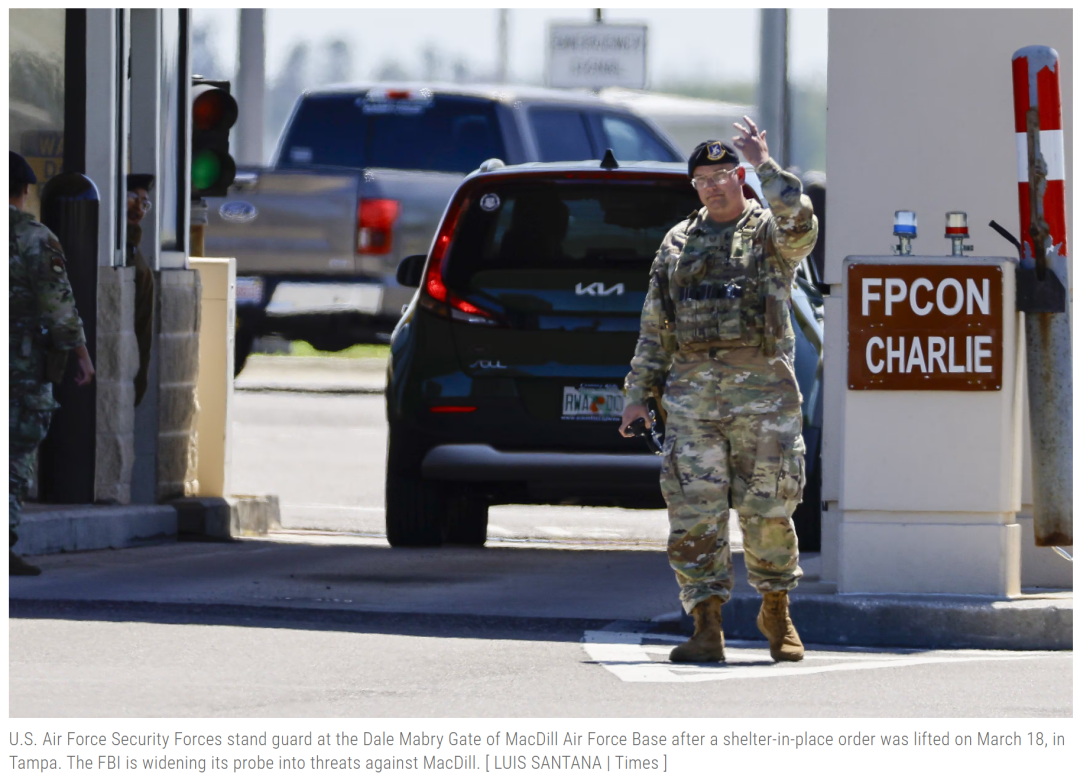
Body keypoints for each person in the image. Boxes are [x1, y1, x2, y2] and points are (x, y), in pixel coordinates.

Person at [619, 118, 818, 663]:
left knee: (769, 509)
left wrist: (766, 165)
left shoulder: (769, 235)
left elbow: (801, 223)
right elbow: (655, 326)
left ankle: (775, 610)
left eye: (722, 174)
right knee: (694, 515)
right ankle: (706, 624)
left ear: (738, 176)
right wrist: (638, 392)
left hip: (764, 398)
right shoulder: (678, 243)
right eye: (702, 177)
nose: (712, 184)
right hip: (692, 402)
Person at [9, 151, 95, 576]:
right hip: (20, 371)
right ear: (25, 192)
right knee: (13, 453)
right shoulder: (35, 238)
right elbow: (58, 308)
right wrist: (80, 355)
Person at [126, 174, 155, 407]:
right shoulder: (116, 248)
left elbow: (143, 325)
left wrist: (140, 378)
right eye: (132, 198)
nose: (139, 207)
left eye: (144, 203)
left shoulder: (133, 251)